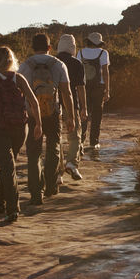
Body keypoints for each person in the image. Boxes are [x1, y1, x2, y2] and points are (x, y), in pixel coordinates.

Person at [0, 46, 42, 222]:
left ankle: (13, 209)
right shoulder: (18, 78)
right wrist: (38, 125)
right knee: (9, 164)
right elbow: (34, 101)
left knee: (7, 166)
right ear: (11, 61)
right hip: (20, 126)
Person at [19, 33, 76, 205]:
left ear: (32, 47)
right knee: (53, 148)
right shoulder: (59, 64)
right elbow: (66, 93)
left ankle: (36, 193)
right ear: (50, 48)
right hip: (53, 114)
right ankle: (51, 186)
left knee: (34, 153)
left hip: (31, 115)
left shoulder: (25, 66)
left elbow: (18, 93)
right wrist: (71, 117)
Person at [55, 33, 86, 180]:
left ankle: (58, 172)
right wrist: (84, 107)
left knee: (57, 139)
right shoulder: (76, 63)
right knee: (74, 136)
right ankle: (72, 163)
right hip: (72, 103)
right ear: (73, 47)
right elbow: (80, 88)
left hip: (53, 104)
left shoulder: (53, 62)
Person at [79, 31, 110, 150]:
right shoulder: (103, 53)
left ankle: (80, 141)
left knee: (83, 113)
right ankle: (94, 142)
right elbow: (105, 72)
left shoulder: (80, 52)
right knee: (97, 114)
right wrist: (107, 90)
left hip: (83, 86)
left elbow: (78, 71)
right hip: (99, 86)